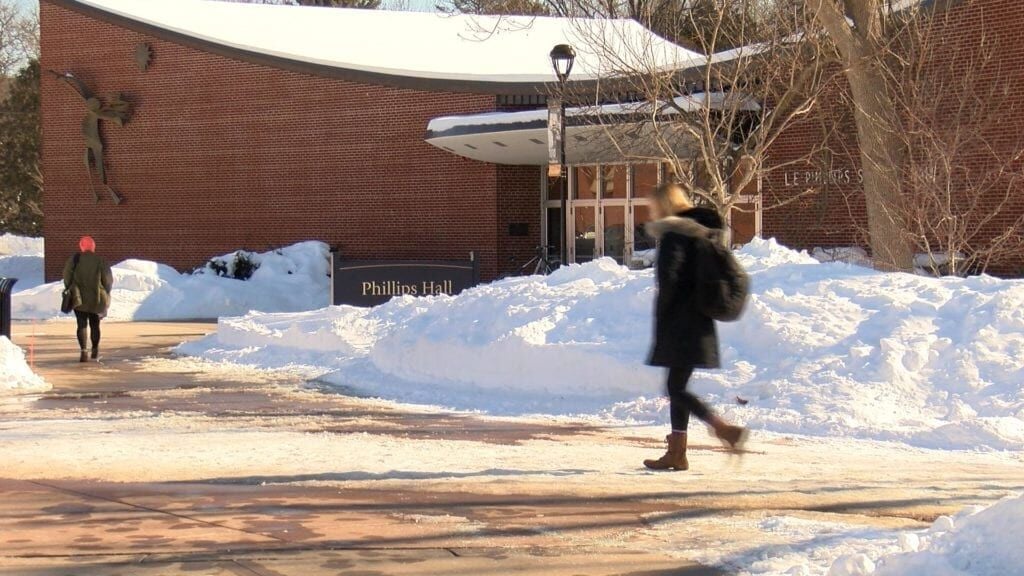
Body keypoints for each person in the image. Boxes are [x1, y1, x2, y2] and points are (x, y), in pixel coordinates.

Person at [643, 182, 747, 471]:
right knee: (677, 386)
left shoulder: (676, 233)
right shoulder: (699, 234)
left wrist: (664, 316)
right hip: (698, 321)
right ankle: (678, 453)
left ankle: (724, 430)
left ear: (664, 205)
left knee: (675, 388)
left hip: (680, 322)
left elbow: (670, 280)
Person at [62, 236, 113, 362]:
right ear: (93, 247)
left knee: (81, 324)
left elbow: (67, 276)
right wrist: (105, 291)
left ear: (81, 246)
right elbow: (108, 280)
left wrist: (70, 288)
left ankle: (83, 351)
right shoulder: (101, 260)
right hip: (97, 297)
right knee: (95, 324)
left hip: (79, 297)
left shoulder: (74, 260)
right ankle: (95, 349)